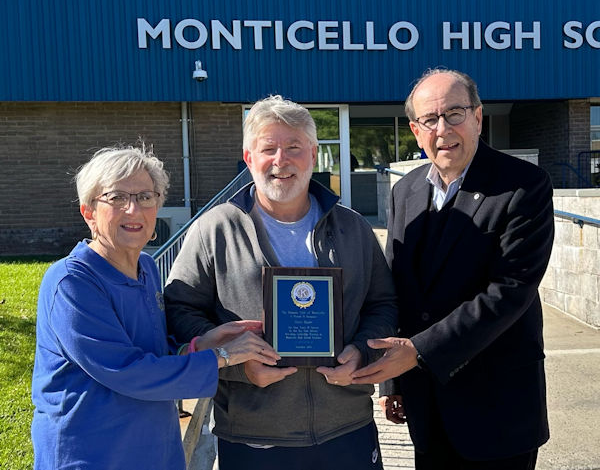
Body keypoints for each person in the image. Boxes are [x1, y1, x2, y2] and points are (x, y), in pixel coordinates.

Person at [164, 95, 398, 470]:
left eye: (293, 147)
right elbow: (180, 310)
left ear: (313, 152)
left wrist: (361, 351)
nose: (281, 160)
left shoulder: (353, 227)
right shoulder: (215, 229)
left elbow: (383, 305)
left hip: (347, 426)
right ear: (249, 158)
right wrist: (240, 364)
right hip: (253, 432)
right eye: (268, 148)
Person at [352, 69, 554, 469]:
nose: (442, 129)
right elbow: (397, 288)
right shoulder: (405, 190)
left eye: (455, 113)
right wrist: (393, 379)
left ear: (478, 117)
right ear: (415, 129)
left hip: (497, 410)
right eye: (430, 119)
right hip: (427, 407)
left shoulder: (523, 185)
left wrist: (418, 353)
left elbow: (510, 290)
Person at [31, 145, 279, 470]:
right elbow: (127, 370)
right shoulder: (71, 282)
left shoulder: (146, 268)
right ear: (88, 212)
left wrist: (201, 344)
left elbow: (153, 350)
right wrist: (222, 357)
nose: (134, 210)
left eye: (146, 197)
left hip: (155, 451)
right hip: (92, 455)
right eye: (117, 197)